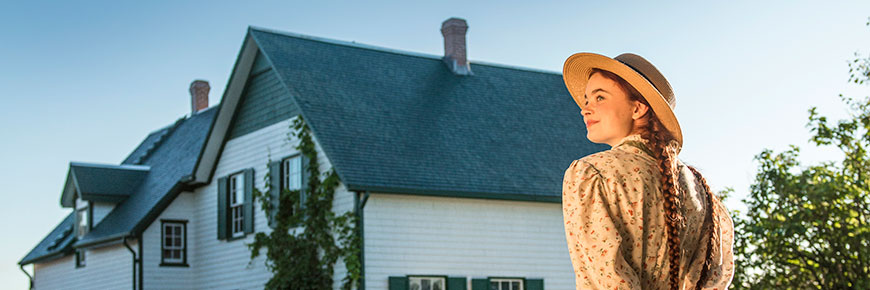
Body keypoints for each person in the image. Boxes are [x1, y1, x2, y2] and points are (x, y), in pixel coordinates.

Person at [560, 52, 735, 290]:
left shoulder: (591, 174)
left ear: (638, 108)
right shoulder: (700, 187)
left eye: (600, 97)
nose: (585, 109)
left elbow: (609, 282)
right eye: (586, 99)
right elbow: (715, 279)